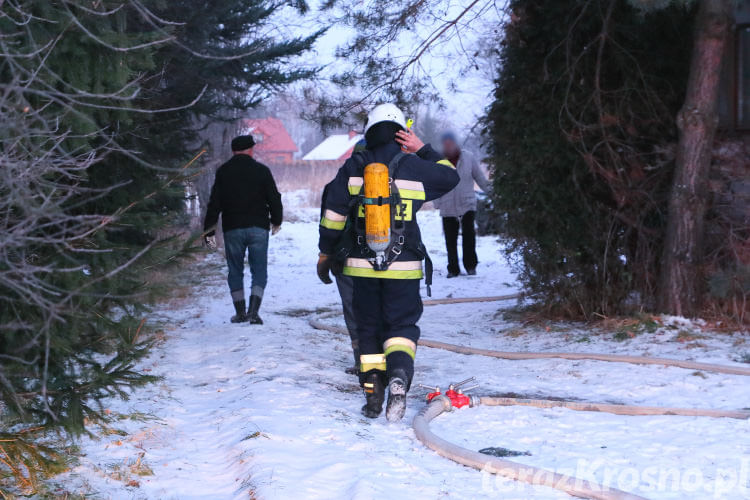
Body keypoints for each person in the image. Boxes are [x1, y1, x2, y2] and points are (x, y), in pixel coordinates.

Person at [317, 104, 459, 421]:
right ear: (399, 134)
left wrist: (326, 252)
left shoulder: (354, 166)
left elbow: (333, 216)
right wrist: (422, 148)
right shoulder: (412, 165)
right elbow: (451, 176)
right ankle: (398, 376)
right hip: (405, 266)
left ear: (369, 132)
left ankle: (372, 394)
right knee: (401, 327)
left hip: (359, 266)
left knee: (368, 330)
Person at [204, 135, 283, 324]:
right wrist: (277, 221)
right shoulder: (261, 171)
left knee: (235, 270)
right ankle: (254, 312)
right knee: (259, 270)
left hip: (233, 228)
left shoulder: (223, 171)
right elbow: (274, 197)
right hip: (258, 227)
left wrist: (209, 232)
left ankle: (240, 312)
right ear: (250, 149)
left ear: (233, 151)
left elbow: (214, 203)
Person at [433, 132, 491, 278]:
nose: (448, 144)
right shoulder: (439, 160)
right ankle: (453, 269)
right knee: (450, 240)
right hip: (447, 205)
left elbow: (480, 178)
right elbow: (434, 183)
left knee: (469, 236)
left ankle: (471, 266)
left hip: (467, 203)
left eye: (450, 141)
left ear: (455, 142)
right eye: (445, 142)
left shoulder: (468, 157)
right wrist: (437, 202)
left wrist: (493, 192)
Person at [320, 181, 360, 374]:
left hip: (346, 258)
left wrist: (325, 255)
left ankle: (362, 359)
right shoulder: (393, 182)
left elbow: (328, 224)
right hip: (386, 259)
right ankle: (389, 359)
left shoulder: (337, 185)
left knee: (353, 309)